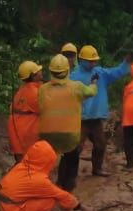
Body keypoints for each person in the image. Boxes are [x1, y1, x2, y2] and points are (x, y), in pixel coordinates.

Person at [0, 140, 94, 211]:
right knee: (49, 200)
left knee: (42, 196)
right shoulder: (38, 180)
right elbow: (62, 195)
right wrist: (83, 208)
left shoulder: (21, 167)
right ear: (46, 160)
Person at [70, 44, 130, 179]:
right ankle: (70, 172)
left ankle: (97, 168)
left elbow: (116, 72)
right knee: (76, 146)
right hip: (80, 119)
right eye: (90, 61)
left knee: (100, 144)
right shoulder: (73, 76)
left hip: (96, 118)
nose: (93, 63)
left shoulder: (100, 73)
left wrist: (125, 63)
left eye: (94, 60)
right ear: (82, 60)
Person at [38, 54, 97, 191]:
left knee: (46, 161)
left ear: (51, 71)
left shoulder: (42, 89)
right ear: (67, 70)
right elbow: (91, 92)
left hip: (47, 135)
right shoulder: (77, 87)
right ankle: (67, 186)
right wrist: (93, 83)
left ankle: (43, 185)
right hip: (70, 135)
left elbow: (40, 107)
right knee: (72, 156)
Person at [8, 61, 43, 162]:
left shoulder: (23, 90)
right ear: (33, 76)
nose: (41, 72)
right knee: (27, 164)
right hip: (25, 133)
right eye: (38, 71)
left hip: (19, 132)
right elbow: (46, 110)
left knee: (22, 163)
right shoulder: (33, 93)